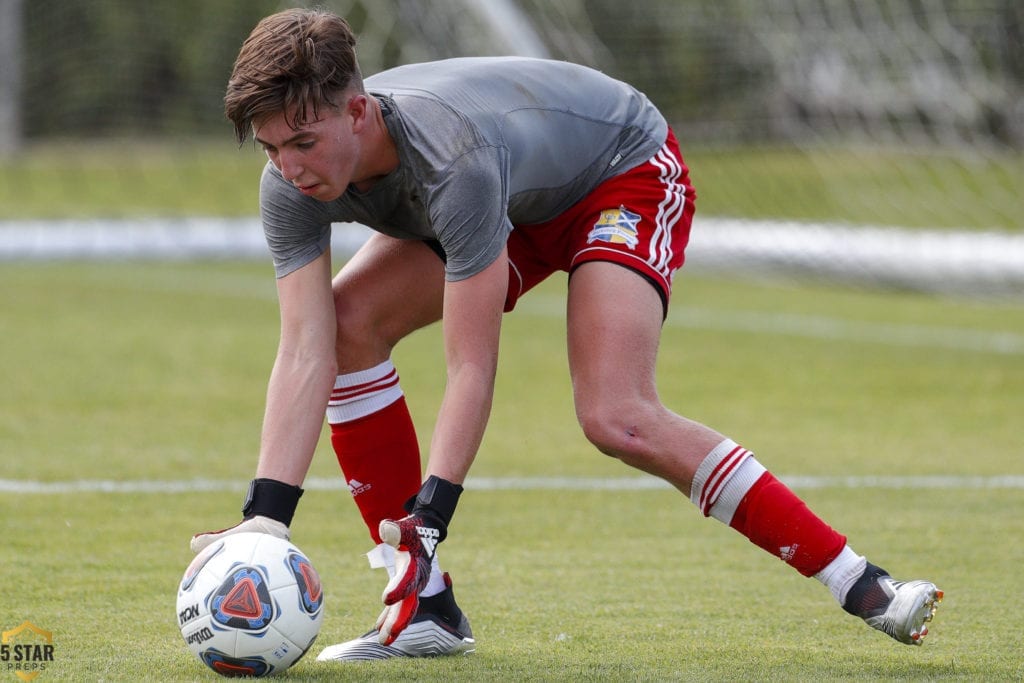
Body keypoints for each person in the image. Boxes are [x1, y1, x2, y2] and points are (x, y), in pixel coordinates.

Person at [192, 7, 943, 662]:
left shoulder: (451, 158)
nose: (288, 168)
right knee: (349, 324)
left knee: (616, 416)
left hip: (618, 171)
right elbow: (304, 348)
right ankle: (423, 607)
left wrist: (432, 511)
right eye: (269, 149)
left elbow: (470, 367)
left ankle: (863, 582)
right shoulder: (288, 188)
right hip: (514, 197)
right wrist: (267, 517)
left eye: (302, 143)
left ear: (357, 111)